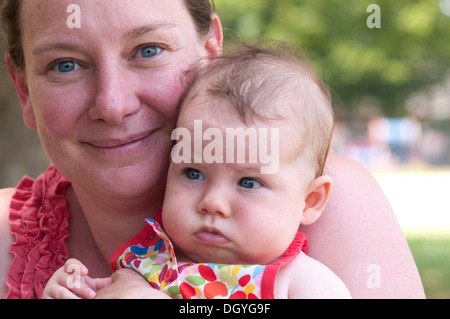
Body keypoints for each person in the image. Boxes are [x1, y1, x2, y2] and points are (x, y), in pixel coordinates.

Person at [0, 0, 424, 299]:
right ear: (23, 92)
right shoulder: (15, 239)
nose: (112, 105)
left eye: (149, 50)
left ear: (210, 56)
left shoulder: (331, 207)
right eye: (65, 64)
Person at [42, 43, 351, 299]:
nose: (212, 202)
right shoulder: (148, 264)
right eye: (193, 173)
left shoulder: (300, 283)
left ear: (310, 201)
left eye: (248, 182)